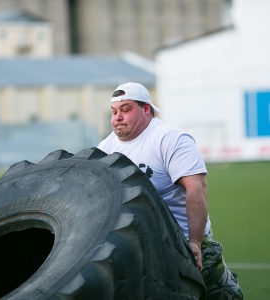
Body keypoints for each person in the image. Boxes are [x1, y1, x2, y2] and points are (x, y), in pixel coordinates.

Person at [97, 82, 244, 299]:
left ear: (146, 108)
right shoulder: (104, 149)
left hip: (185, 244)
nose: (117, 117)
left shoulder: (170, 139)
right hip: (139, 248)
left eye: (126, 110)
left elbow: (197, 188)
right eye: (114, 112)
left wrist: (194, 242)